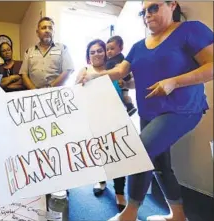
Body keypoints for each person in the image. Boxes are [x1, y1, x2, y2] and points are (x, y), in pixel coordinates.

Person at [77, 1, 213, 221]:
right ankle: (178, 215)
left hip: (182, 109)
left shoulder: (191, 30)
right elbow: (121, 71)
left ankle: (129, 213)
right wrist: (94, 75)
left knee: (139, 152)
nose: (147, 15)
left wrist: (175, 82)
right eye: (143, 11)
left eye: (153, 8)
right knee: (159, 163)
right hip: (149, 113)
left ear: (172, 5)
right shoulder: (139, 45)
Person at [78, 39, 127, 212]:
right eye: (92, 52)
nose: (97, 54)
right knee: (99, 152)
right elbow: (75, 92)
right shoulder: (85, 70)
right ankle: (101, 180)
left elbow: (125, 87)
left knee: (118, 155)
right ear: (88, 57)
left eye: (100, 50)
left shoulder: (114, 70)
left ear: (106, 53)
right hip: (94, 117)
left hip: (115, 117)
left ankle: (120, 192)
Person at [19, 17, 74, 89]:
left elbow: (68, 70)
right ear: (37, 32)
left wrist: (50, 88)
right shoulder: (29, 51)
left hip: (56, 93)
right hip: (34, 94)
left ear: (53, 32)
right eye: (44, 28)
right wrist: (35, 91)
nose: (47, 30)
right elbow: (24, 74)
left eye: (50, 28)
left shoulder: (63, 48)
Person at [106, 35, 137, 116]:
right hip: (119, 83)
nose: (109, 51)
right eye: (107, 49)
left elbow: (123, 71)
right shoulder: (110, 60)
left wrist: (124, 80)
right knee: (125, 96)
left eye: (112, 49)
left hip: (122, 83)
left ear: (121, 48)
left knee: (124, 96)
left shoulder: (120, 59)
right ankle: (129, 107)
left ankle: (130, 107)